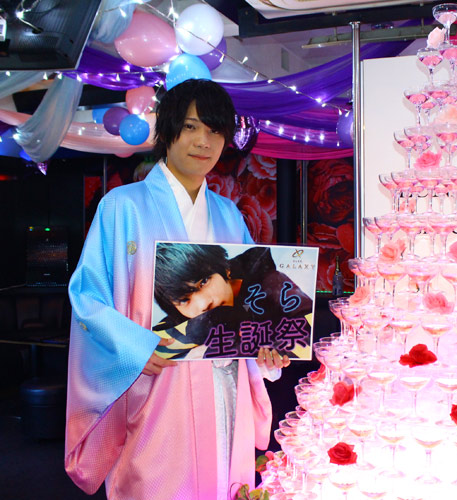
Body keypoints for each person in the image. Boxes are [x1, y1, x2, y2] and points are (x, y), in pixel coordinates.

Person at [65, 79, 290, 500]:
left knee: (224, 483)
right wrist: (134, 347)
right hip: (157, 386)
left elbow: (250, 303)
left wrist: (265, 344)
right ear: (168, 131)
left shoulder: (229, 214)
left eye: (215, 131)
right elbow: (87, 296)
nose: (204, 142)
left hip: (224, 386)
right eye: (190, 127)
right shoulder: (123, 207)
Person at [151, 243, 314, 360]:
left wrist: (238, 347)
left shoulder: (270, 284)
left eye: (204, 282)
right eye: (184, 299)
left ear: (225, 269)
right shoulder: (182, 321)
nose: (203, 303)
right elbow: (157, 348)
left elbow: (310, 335)